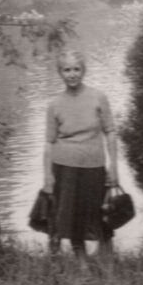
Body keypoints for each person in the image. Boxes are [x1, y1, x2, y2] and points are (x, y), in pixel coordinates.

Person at [42, 49, 118, 257]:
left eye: (76, 69)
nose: (72, 74)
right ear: (60, 72)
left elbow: (110, 132)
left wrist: (114, 167)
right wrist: (47, 176)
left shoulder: (98, 97)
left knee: (100, 214)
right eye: (67, 70)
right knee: (72, 218)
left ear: (83, 70)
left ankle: (107, 259)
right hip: (64, 167)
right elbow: (49, 142)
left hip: (94, 165)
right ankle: (80, 261)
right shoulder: (54, 104)